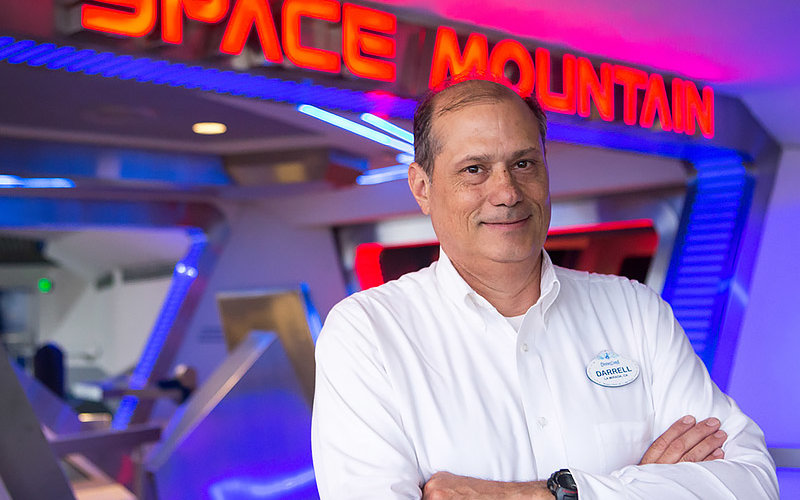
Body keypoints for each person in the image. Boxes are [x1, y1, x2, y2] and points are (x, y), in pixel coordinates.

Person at [311, 78, 778, 499]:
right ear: (422, 187)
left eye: (523, 162)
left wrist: (552, 495)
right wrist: (642, 485)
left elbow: (752, 481)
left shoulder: (634, 310)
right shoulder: (367, 333)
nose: (508, 191)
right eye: (474, 169)